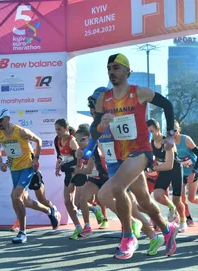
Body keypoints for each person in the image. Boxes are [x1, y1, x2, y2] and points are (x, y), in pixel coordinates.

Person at [88, 53, 178, 259]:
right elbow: (95, 132)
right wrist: (101, 125)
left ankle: (128, 236)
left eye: (117, 67)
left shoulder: (139, 93)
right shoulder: (104, 100)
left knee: (118, 187)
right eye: (109, 68)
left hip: (141, 152)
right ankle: (167, 230)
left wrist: (171, 134)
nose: (112, 72)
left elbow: (167, 105)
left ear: (127, 71)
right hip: (122, 156)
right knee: (145, 201)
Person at [83, 87, 163, 253]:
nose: (93, 112)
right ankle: (153, 235)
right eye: (92, 110)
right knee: (132, 205)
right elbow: (91, 145)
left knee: (111, 197)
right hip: (113, 170)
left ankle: (155, 227)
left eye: (95, 108)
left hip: (127, 166)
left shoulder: (117, 119)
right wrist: (86, 152)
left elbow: (142, 135)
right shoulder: (95, 126)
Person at [0, 108, 60, 244]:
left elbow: (39, 141)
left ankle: (22, 232)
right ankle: (49, 211)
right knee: (25, 201)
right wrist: (1, 164)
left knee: (15, 196)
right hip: (14, 169)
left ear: (7, 119)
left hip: (27, 168)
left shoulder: (20, 131)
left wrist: (36, 158)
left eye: (0, 120)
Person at [147, 119, 187, 232]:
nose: (150, 135)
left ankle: (183, 221)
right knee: (158, 195)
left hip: (175, 169)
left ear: (158, 130)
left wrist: (153, 168)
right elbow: (152, 157)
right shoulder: (150, 142)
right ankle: (171, 208)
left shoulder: (168, 142)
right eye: (148, 132)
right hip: (163, 170)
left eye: (152, 131)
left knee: (177, 200)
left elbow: (169, 165)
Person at [72, 124, 110, 237]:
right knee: (82, 198)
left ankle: (131, 221)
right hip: (94, 179)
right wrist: (78, 158)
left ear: (89, 138)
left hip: (106, 178)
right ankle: (87, 227)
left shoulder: (95, 147)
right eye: (76, 139)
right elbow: (80, 167)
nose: (78, 142)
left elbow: (88, 170)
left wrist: (73, 170)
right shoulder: (80, 150)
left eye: (81, 139)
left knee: (111, 203)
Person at [10, 157, 59, 232]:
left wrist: (35, 159)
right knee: (17, 197)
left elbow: (36, 148)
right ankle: (19, 221)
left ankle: (52, 210)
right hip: (19, 172)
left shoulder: (26, 146)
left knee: (42, 199)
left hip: (31, 172)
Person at [173, 120, 198, 227]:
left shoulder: (186, 139)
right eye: (171, 131)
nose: (173, 133)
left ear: (179, 129)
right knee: (181, 198)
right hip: (180, 172)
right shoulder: (169, 141)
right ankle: (188, 218)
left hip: (192, 170)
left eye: (175, 130)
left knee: (191, 198)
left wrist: (193, 172)